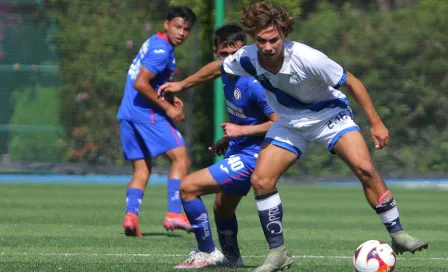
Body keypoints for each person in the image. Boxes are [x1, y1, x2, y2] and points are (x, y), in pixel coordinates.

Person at [158, 2, 429, 271]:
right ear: (255, 39)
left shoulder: (308, 57)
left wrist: (376, 122)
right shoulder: (248, 57)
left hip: (330, 117)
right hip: (289, 122)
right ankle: (278, 253)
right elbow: (216, 69)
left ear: (284, 34)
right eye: (262, 40)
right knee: (261, 181)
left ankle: (398, 234)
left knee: (365, 167)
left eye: (273, 40)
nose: (267, 46)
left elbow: (352, 82)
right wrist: (182, 84)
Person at [173, 24, 279, 269]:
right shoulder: (225, 77)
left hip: (255, 156)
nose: (231, 60)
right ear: (215, 53)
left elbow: (279, 123)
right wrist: (229, 137)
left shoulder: (252, 83)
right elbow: (247, 117)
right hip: (238, 149)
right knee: (222, 208)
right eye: (224, 55)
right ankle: (232, 259)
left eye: (236, 54)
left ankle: (207, 252)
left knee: (188, 188)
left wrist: (241, 131)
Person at [116, 6, 197, 238]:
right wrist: (167, 108)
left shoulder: (155, 41)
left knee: (142, 169)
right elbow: (141, 83)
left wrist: (170, 96)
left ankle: (131, 217)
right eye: (178, 26)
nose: (182, 33)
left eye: (187, 29)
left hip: (127, 113)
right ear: (166, 24)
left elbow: (150, 81)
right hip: (145, 113)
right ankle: (174, 213)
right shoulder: (162, 50)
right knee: (181, 158)